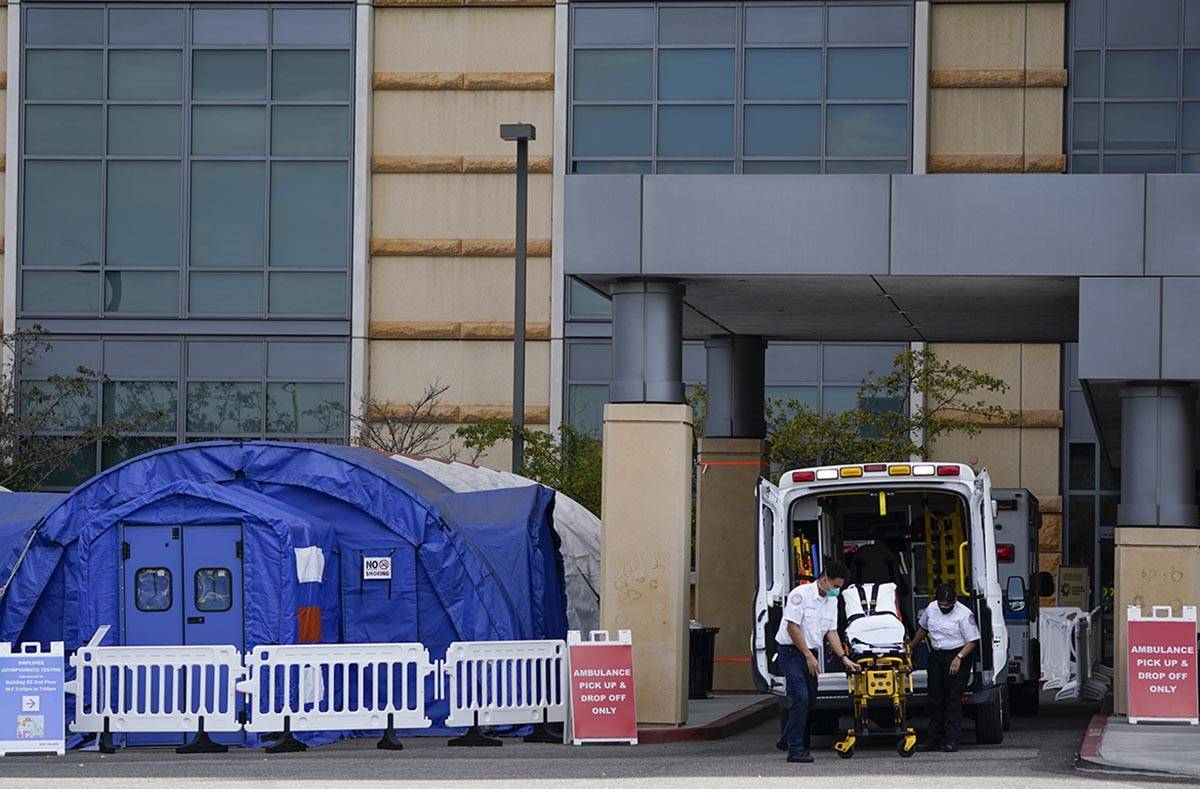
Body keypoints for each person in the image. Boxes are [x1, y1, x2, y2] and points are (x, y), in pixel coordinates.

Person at [774, 561, 860, 763]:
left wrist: (844, 658)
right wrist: (807, 655)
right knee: (801, 698)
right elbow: (792, 628)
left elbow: (831, 631)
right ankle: (796, 750)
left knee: (811, 699)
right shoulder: (800, 595)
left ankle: (786, 738)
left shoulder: (831, 601)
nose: (837, 591)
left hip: (808, 652)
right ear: (824, 580)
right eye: (836, 586)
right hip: (791, 652)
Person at [910, 583, 981, 752]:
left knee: (952, 699)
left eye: (947, 605)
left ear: (954, 602)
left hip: (957, 655)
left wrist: (959, 658)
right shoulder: (931, 608)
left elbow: (972, 641)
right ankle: (934, 738)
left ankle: (951, 739)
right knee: (935, 698)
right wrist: (910, 647)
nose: (943, 608)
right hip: (937, 656)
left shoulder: (964, 614)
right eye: (941, 604)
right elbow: (923, 629)